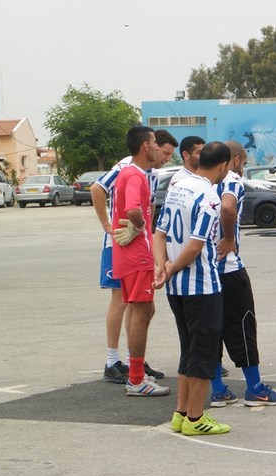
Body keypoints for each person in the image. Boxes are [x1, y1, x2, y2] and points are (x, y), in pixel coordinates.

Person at [153, 141, 231, 435]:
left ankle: (181, 413)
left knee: (188, 349)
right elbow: (196, 247)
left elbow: (158, 235)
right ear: (223, 165)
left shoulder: (177, 187)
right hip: (201, 285)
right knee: (204, 353)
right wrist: (171, 266)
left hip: (176, 289)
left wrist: (162, 266)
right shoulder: (210, 197)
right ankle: (196, 419)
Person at [206, 140, 276, 407]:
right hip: (227, 267)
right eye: (244, 162)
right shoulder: (231, 180)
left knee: (212, 329)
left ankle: (217, 389)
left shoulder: (195, 181)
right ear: (237, 159)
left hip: (204, 270)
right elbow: (228, 208)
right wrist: (229, 238)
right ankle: (254, 387)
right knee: (243, 324)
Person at [91, 129, 177, 384]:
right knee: (122, 301)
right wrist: (107, 225)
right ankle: (112, 360)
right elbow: (97, 189)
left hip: (140, 243)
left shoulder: (151, 173)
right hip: (119, 241)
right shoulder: (127, 167)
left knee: (139, 305)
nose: (166, 159)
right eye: (164, 153)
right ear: (149, 147)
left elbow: (146, 207)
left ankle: (133, 359)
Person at [111, 125, 169, 396]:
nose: (158, 146)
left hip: (128, 255)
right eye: (155, 141)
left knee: (140, 310)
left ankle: (136, 375)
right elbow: (133, 209)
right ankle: (136, 379)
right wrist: (140, 225)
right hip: (137, 255)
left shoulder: (130, 173)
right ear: (145, 146)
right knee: (143, 311)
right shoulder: (135, 175)